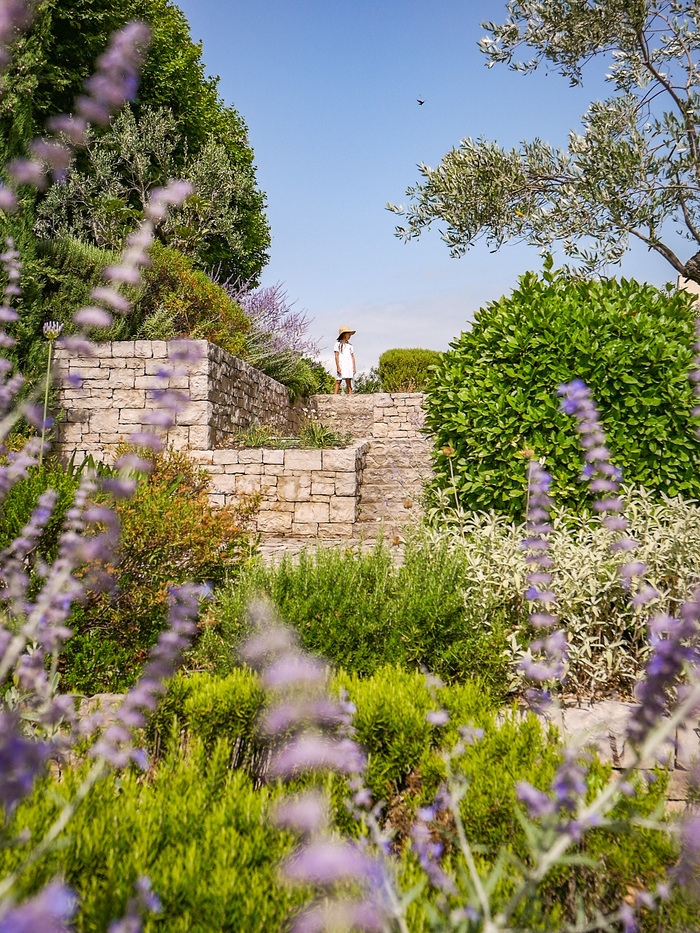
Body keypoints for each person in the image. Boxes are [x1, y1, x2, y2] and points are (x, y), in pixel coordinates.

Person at [334, 326, 356, 395]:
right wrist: (338, 366)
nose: (349, 336)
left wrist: (354, 367)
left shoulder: (350, 346)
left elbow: (352, 357)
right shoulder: (337, 345)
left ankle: (350, 393)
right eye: (348, 334)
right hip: (341, 364)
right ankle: (335, 395)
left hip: (348, 364)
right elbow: (336, 356)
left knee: (348, 380)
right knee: (338, 380)